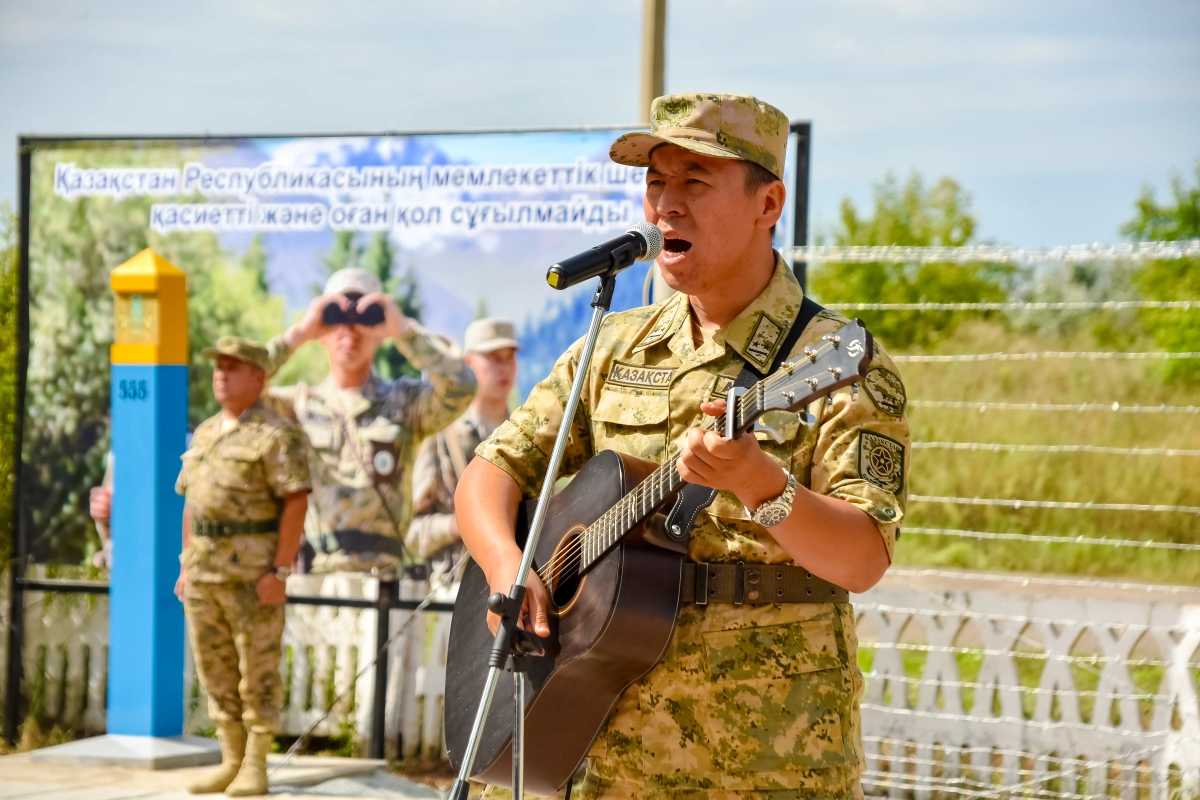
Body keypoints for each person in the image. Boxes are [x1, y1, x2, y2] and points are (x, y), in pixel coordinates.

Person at [456, 94, 911, 798]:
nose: (666, 205)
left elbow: (862, 558)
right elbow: (493, 468)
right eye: (656, 181)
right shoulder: (612, 344)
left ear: (769, 205)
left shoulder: (834, 362)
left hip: (768, 761)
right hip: (599, 749)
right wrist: (508, 570)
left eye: (695, 182)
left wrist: (761, 482)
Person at [263, 268, 477, 575]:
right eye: (336, 318)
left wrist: (403, 330)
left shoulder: (405, 403)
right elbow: (241, 390)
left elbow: (462, 387)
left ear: (380, 333)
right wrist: (299, 334)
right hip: (316, 580)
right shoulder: (297, 406)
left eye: (366, 319)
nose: (349, 330)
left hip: (385, 580)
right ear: (322, 333)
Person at [175, 337, 311, 797]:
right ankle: (230, 760)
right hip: (204, 575)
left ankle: (255, 765)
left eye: (233, 368)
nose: (221, 375)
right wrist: (184, 564)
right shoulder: (207, 432)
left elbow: (296, 502)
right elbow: (193, 505)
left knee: (258, 672)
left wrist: (281, 572)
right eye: (218, 367)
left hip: (253, 578)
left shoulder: (277, 434)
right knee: (214, 671)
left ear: (259, 377)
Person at [406, 318, 520, 586]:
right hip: (455, 589)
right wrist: (457, 526)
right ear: (469, 364)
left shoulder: (526, 436)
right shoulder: (443, 436)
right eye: (493, 358)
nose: (503, 368)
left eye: (509, 357)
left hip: (516, 586)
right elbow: (411, 532)